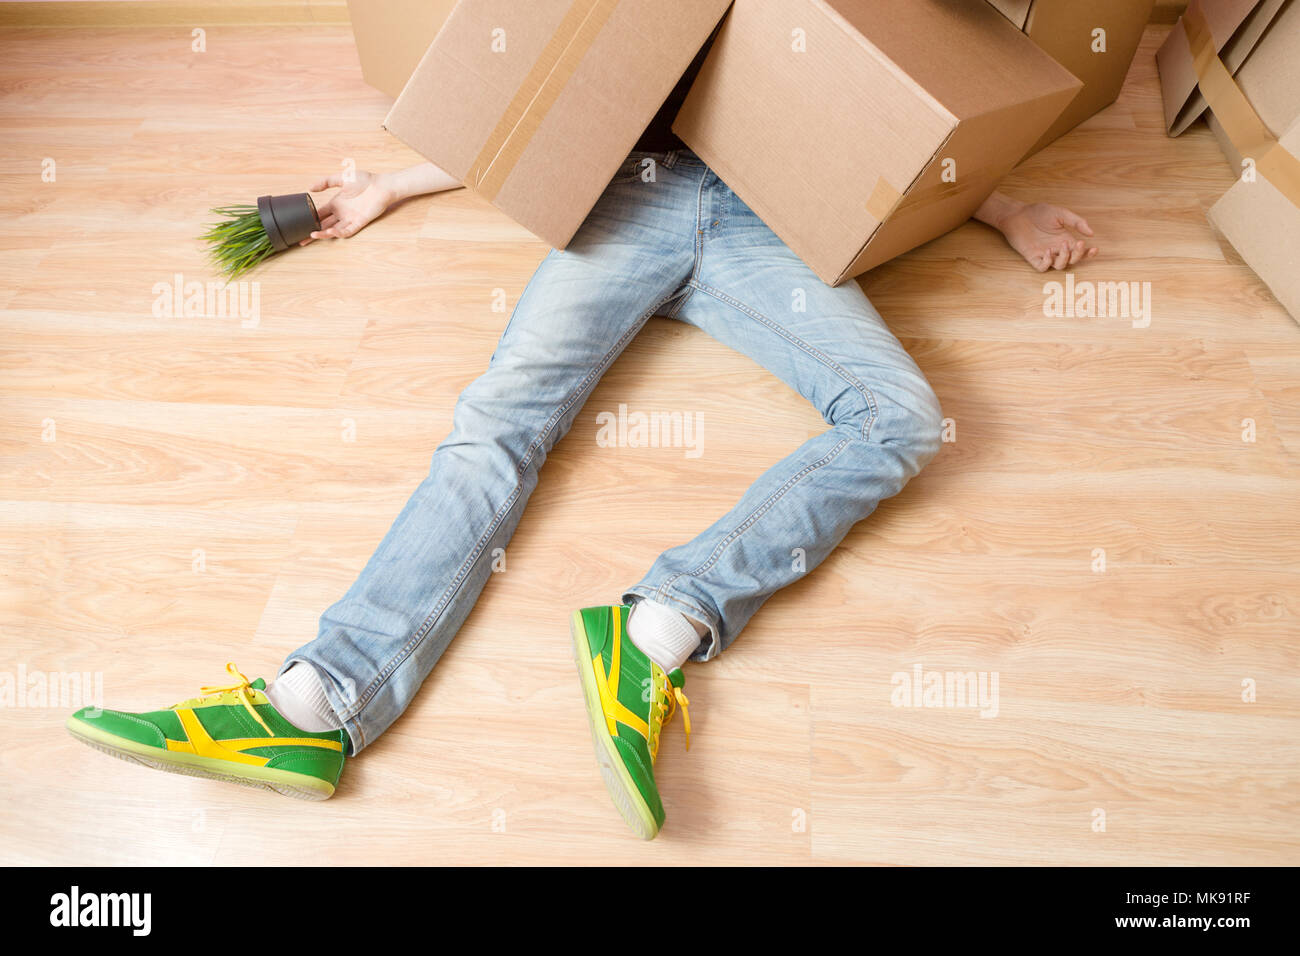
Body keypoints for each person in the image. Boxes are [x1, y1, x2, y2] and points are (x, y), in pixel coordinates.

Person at [67, 53, 1098, 839]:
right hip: (630, 197)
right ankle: (314, 701)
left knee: (906, 416)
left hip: (773, 221)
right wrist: (390, 181)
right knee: (498, 426)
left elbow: (899, 90)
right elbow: (558, 82)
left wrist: (1000, 205)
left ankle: (654, 627)